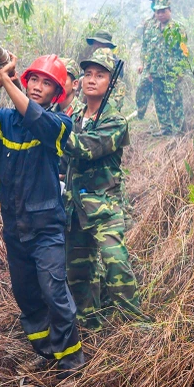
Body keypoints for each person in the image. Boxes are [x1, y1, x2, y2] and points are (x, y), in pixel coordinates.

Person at [0, 54, 86, 377]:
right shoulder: (6, 121)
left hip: (46, 230)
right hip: (14, 228)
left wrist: (8, 83)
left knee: (54, 291)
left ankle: (71, 361)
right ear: (26, 80)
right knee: (26, 294)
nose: (37, 87)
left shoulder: (58, 124)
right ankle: (47, 352)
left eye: (47, 83)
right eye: (34, 79)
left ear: (57, 93)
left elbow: (35, 118)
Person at [63, 48, 145, 330]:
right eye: (87, 74)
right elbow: (64, 160)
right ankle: (90, 323)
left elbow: (86, 148)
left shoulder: (115, 121)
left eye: (100, 75)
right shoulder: (74, 118)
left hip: (104, 207)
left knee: (115, 262)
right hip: (75, 208)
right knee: (78, 271)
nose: (91, 80)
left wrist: (52, 130)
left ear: (110, 83)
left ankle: (134, 324)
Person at [135, 0, 187, 136]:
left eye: (163, 11)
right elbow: (146, 48)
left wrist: (180, 72)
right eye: (157, 11)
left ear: (169, 10)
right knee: (160, 101)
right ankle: (165, 127)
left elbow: (184, 52)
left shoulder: (178, 29)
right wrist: (148, 68)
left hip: (172, 72)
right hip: (156, 72)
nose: (160, 14)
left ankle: (178, 130)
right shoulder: (151, 28)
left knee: (175, 101)